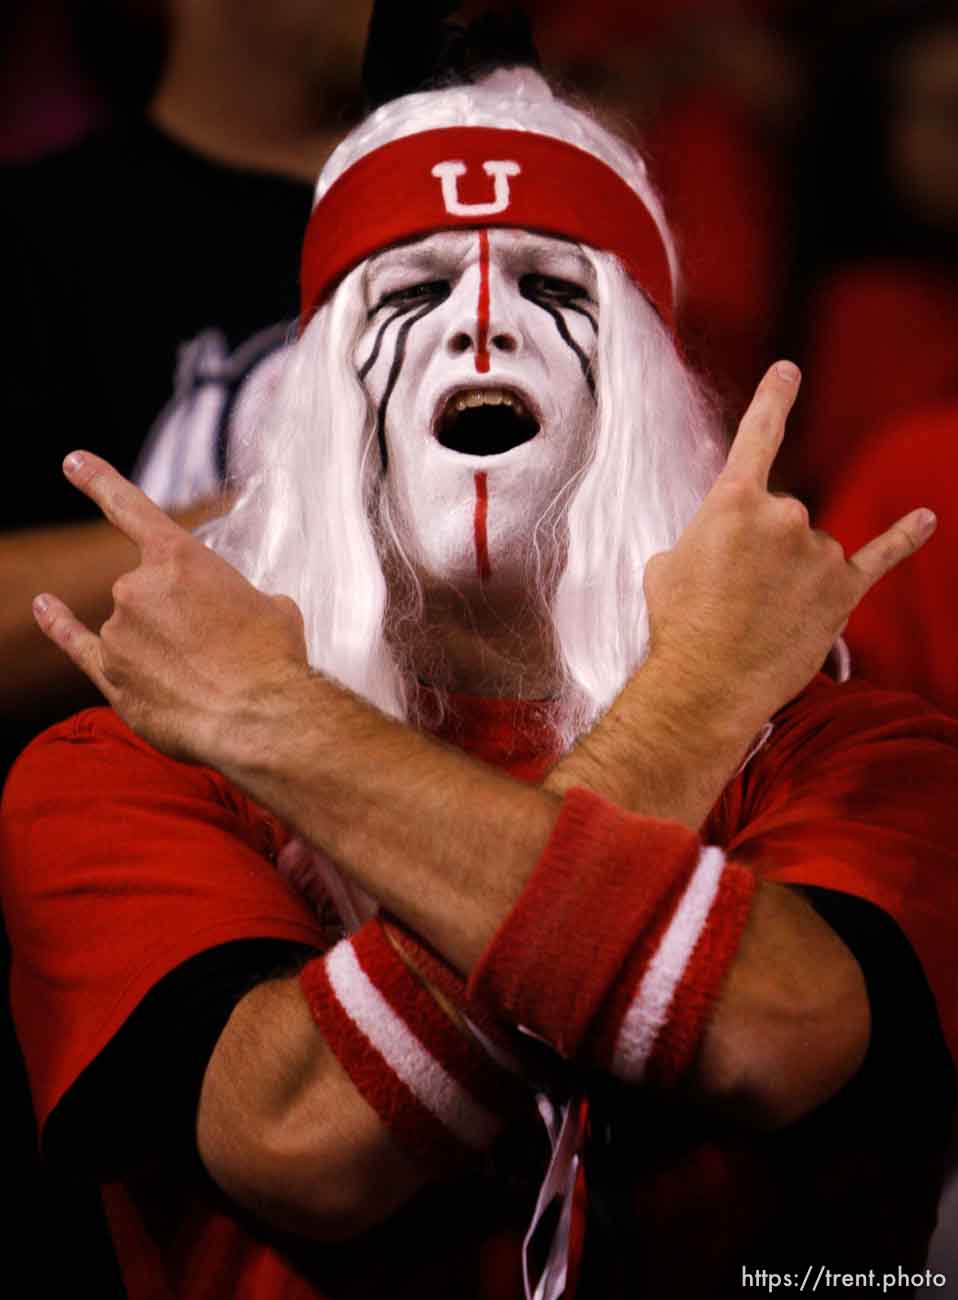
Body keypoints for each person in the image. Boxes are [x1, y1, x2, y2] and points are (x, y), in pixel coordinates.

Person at [2, 52, 956, 1300]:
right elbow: (298, 1138)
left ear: (652, 405)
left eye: (557, 284)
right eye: (414, 286)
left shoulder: (859, 753)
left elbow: (781, 1029)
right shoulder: (126, 764)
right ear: (314, 408)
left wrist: (284, 726)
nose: (486, 319)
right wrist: (696, 713)